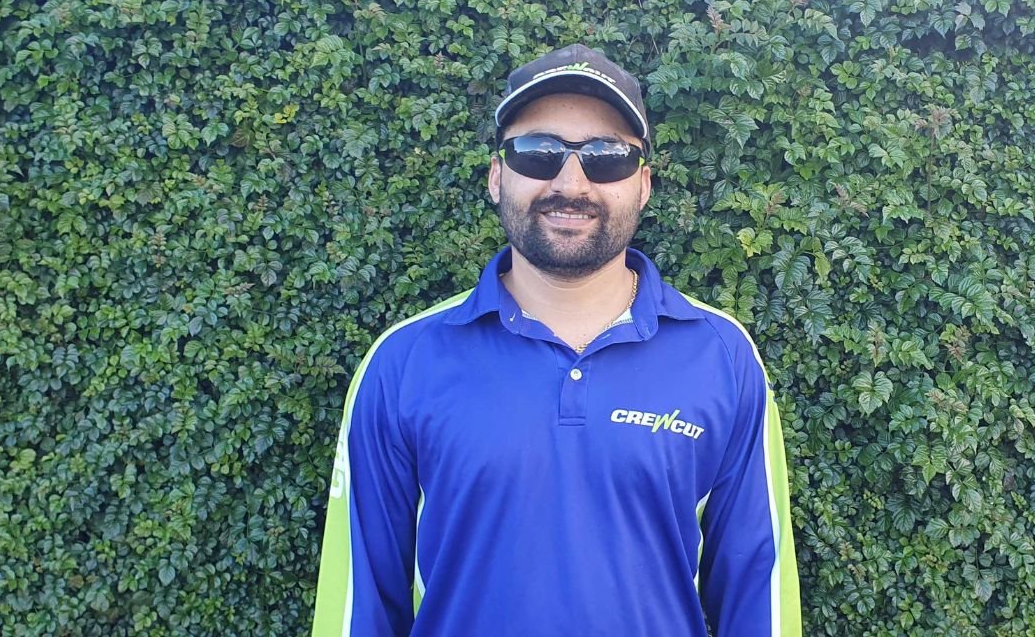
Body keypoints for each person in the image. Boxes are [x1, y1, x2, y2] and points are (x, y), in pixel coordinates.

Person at [312, 44, 802, 636]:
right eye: (538, 152)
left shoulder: (721, 356)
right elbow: (358, 606)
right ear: (498, 175)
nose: (572, 183)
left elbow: (757, 593)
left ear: (643, 184)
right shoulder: (404, 361)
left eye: (607, 157)